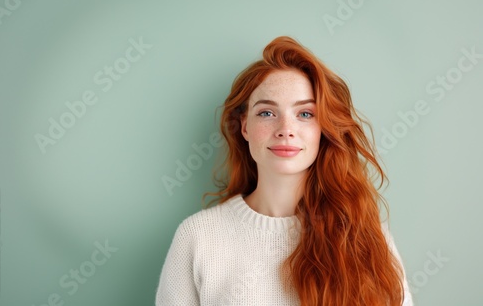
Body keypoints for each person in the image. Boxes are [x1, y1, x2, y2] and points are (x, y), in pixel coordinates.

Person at [156, 36, 413, 305]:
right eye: (267, 113)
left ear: (323, 129)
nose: (285, 129)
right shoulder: (198, 237)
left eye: (305, 114)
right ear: (244, 127)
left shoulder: (365, 236)